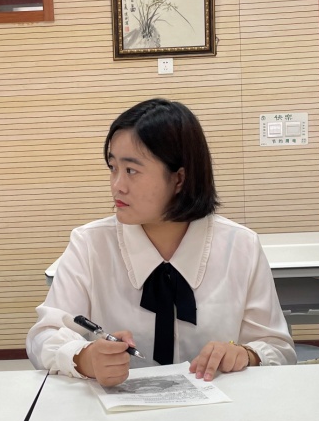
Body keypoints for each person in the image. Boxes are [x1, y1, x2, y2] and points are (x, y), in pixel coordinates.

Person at [27, 98, 296, 385]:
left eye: (131, 170)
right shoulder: (90, 244)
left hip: (220, 407)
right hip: (113, 408)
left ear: (179, 179)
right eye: (113, 167)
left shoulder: (240, 246)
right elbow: (43, 336)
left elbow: (279, 348)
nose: (117, 185)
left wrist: (245, 354)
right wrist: (84, 357)